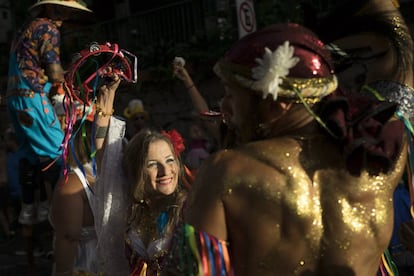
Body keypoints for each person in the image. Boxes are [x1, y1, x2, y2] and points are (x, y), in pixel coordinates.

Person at [163, 23, 412, 276]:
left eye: (231, 94)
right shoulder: (380, 154)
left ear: (279, 103)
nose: (225, 109)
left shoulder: (227, 171)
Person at [6, 0, 93, 271]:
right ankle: (64, 219)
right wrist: (69, 84)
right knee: (62, 154)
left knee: (33, 158)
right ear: (54, 10)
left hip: (17, 99)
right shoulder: (47, 29)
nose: (65, 17)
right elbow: (54, 70)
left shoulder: (27, 27)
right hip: (32, 98)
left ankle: (35, 212)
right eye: (64, 11)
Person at [93, 71, 191, 275]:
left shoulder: (189, 209)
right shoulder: (131, 208)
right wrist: (107, 99)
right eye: (153, 164)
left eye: (170, 160)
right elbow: (106, 161)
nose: (166, 171)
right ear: (137, 170)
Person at [49, 118, 100, 275]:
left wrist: (63, 272)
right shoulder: (112, 177)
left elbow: (68, 237)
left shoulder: (72, 183)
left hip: (83, 265)